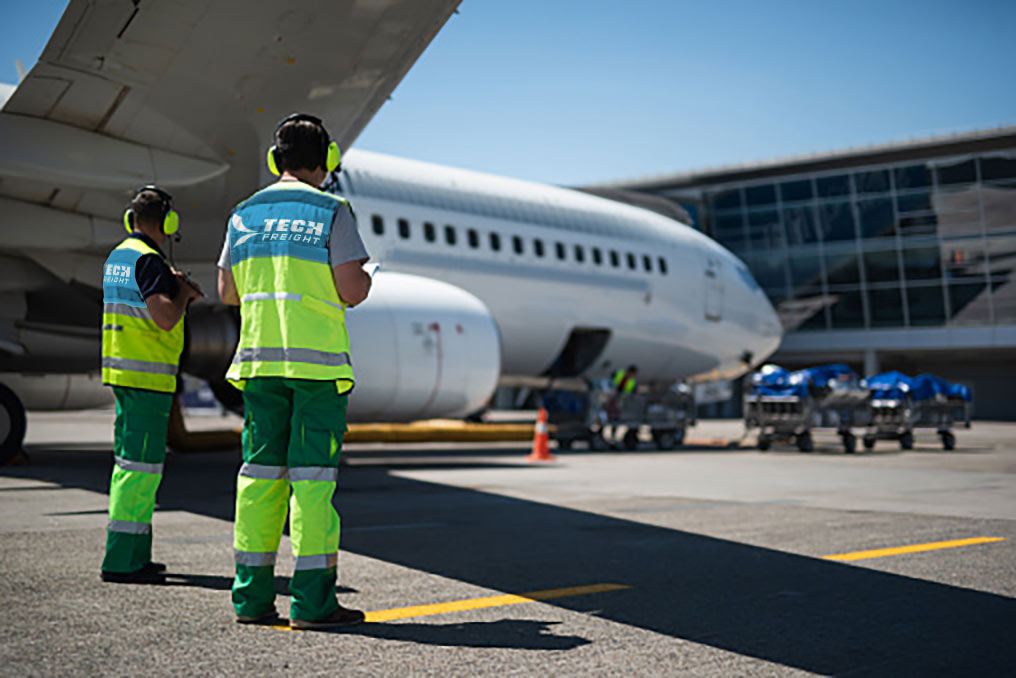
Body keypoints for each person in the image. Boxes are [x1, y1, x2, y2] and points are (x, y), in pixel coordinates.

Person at [217, 113, 372, 629]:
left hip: (260, 365)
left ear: (274, 160)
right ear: (326, 160)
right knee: (311, 484)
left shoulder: (243, 213)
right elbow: (351, 290)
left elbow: (227, 293)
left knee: (258, 481)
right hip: (316, 370)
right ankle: (312, 602)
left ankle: (251, 600)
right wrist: (364, 281)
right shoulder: (333, 210)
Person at [100, 185, 202, 584]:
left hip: (125, 373)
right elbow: (163, 317)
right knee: (139, 471)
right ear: (168, 223)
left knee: (133, 468)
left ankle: (136, 554)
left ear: (132, 220)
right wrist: (184, 295)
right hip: (147, 378)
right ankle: (122, 561)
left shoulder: (120, 256)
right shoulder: (150, 262)